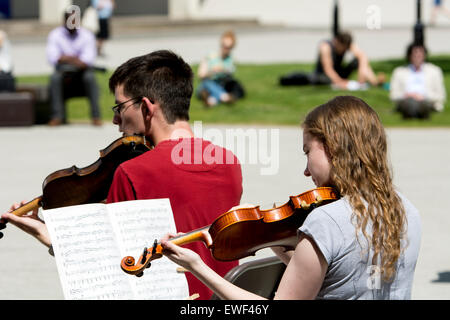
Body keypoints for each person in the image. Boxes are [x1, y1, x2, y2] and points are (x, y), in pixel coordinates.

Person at [0, 50, 243, 300]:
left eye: (120, 107)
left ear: (147, 107)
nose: (116, 119)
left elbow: (117, 272)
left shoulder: (133, 172)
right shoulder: (228, 162)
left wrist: (50, 238)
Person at [160, 95, 422, 300]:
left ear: (333, 147)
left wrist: (197, 266)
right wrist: (270, 239)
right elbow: (338, 277)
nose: (306, 170)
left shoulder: (326, 221)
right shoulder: (405, 210)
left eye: (308, 151)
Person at [46, 11, 101, 126]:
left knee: (90, 78)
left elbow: (87, 61)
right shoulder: (55, 35)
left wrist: (65, 58)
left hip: (82, 74)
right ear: (64, 21)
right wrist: (76, 59)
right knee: (55, 78)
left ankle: (96, 116)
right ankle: (57, 116)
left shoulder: (87, 35)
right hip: (62, 73)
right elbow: (53, 58)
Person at [279, 32, 385, 90]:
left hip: (339, 72)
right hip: (323, 75)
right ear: (337, 42)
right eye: (343, 48)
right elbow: (328, 69)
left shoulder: (347, 44)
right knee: (310, 79)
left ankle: (374, 82)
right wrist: (340, 82)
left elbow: (362, 57)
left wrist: (364, 76)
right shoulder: (326, 46)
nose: (344, 51)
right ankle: (286, 79)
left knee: (358, 61)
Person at [390, 42, 446, 119]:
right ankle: (415, 114)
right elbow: (393, 95)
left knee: (422, 104)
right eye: (415, 55)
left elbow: (440, 95)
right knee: (410, 102)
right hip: (407, 100)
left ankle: (415, 114)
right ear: (409, 56)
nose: (417, 57)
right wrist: (408, 95)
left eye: (420, 55)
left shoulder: (434, 71)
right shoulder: (399, 72)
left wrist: (423, 96)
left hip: (426, 101)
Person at [196, 30, 245, 107]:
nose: (226, 49)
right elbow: (201, 75)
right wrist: (212, 71)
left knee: (220, 86)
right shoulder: (210, 56)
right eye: (224, 45)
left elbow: (230, 74)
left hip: (221, 85)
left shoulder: (231, 60)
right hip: (207, 84)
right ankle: (224, 97)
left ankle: (211, 101)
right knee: (208, 82)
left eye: (229, 47)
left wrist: (223, 70)